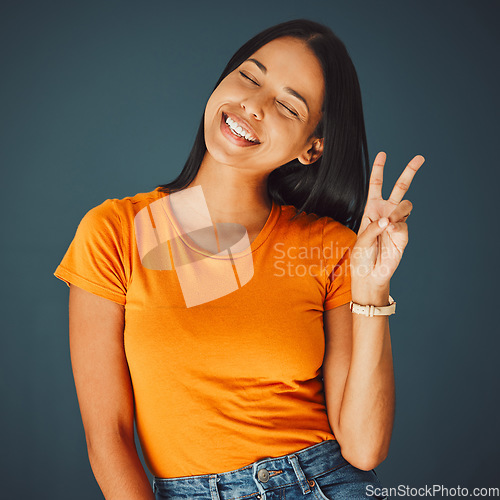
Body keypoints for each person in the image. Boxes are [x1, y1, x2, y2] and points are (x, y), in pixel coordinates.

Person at [54, 18, 423, 500]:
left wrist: (372, 288)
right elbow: (109, 439)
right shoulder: (114, 232)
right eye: (250, 76)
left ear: (312, 148)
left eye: (288, 106)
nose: (253, 105)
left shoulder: (331, 248)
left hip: (324, 484)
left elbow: (364, 448)